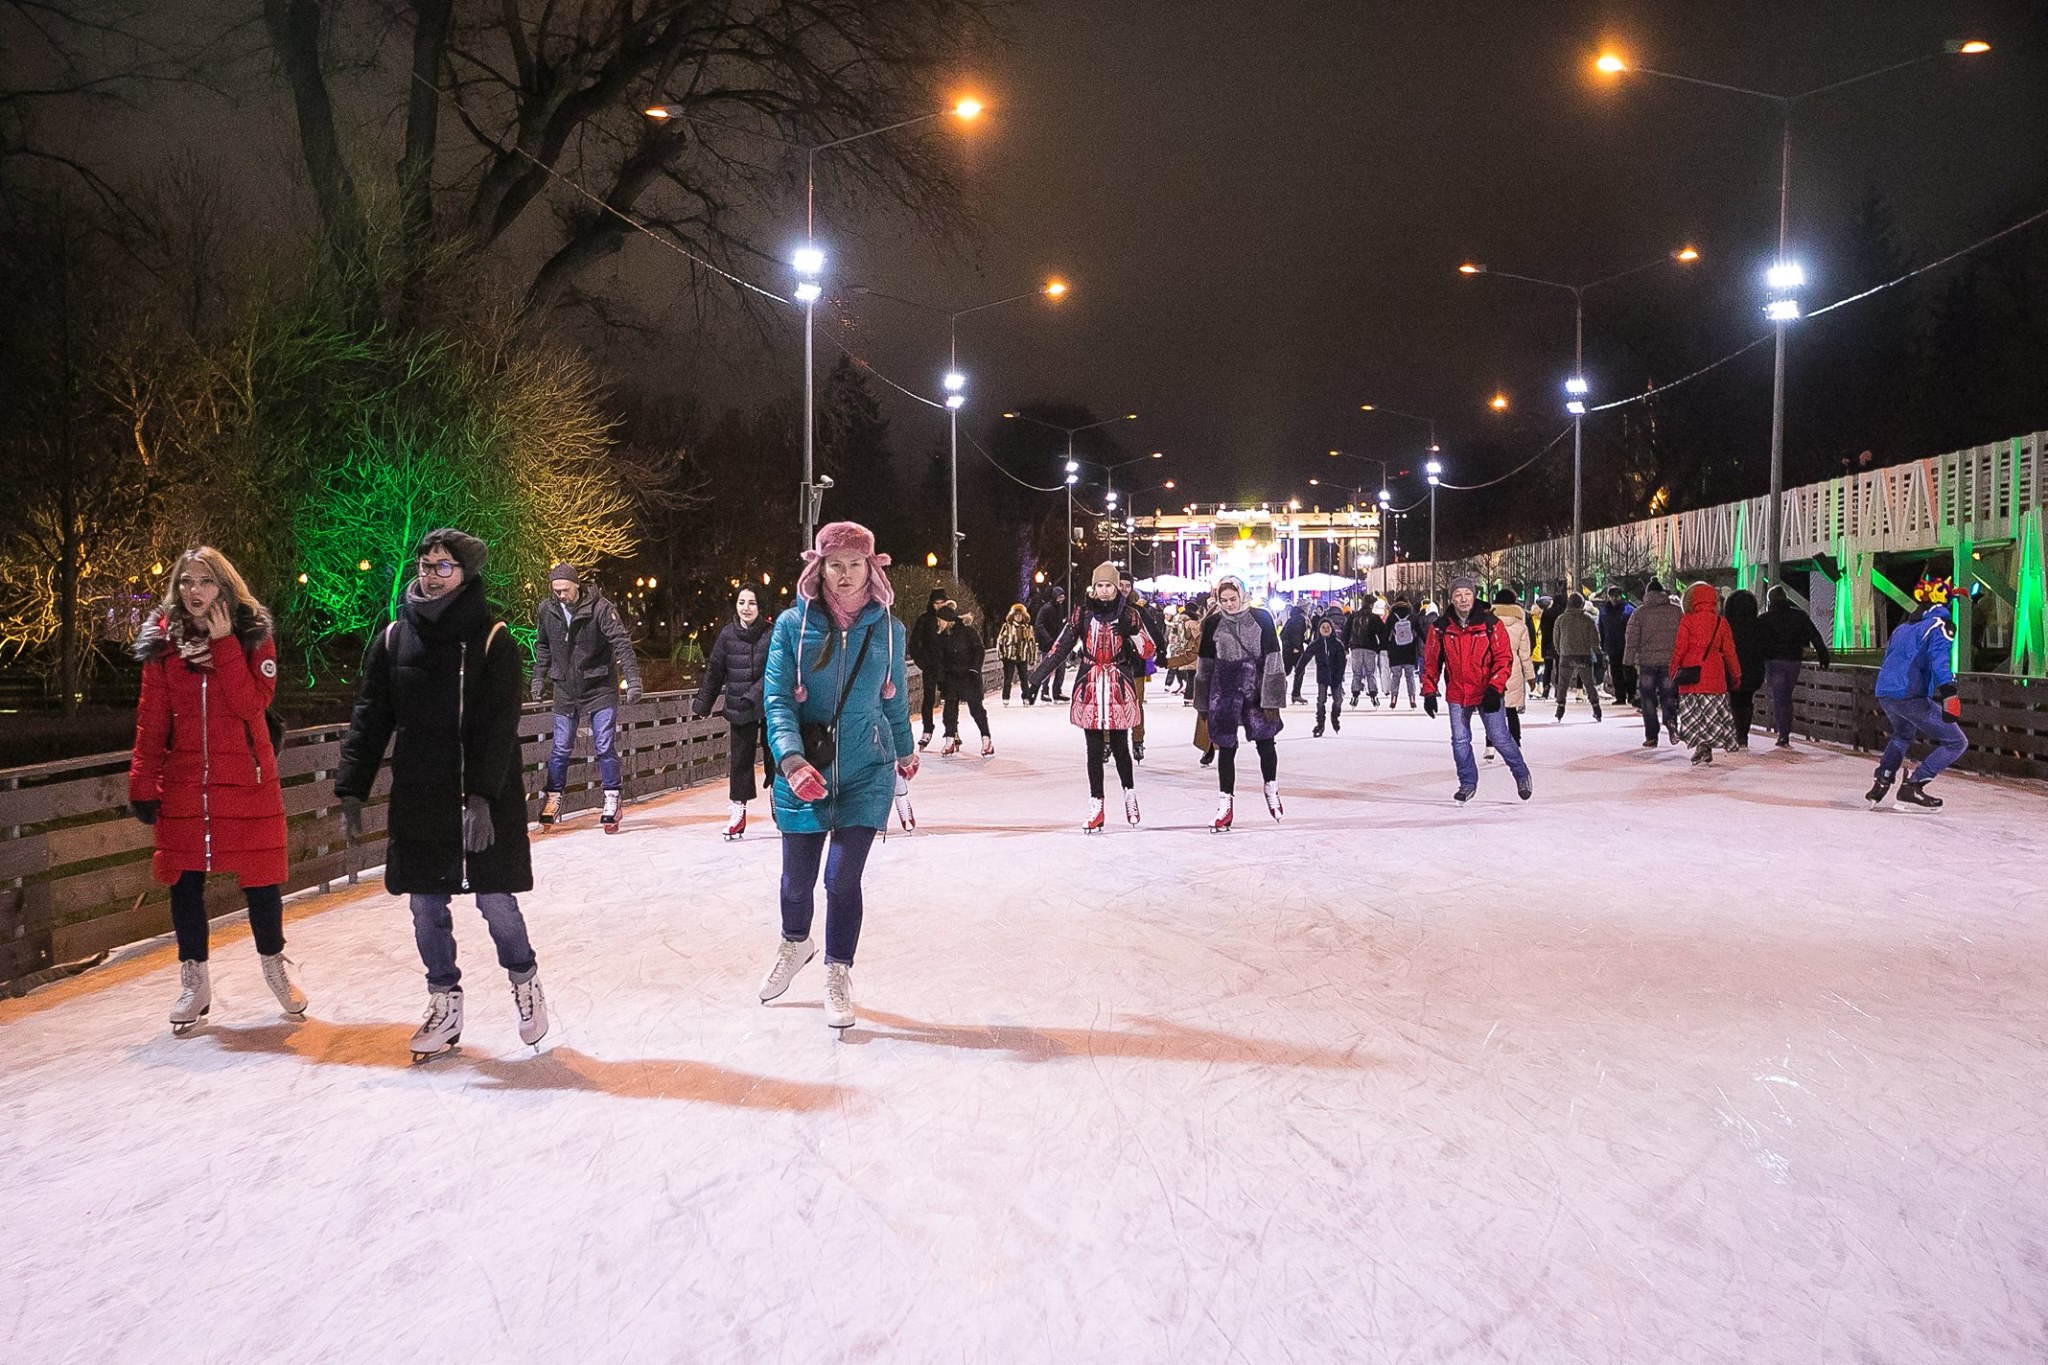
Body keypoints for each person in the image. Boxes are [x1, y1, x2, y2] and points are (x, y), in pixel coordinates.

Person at [337, 528, 548, 1061]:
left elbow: (498, 726)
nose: (431, 576)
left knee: (494, 899)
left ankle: (525, 981)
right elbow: (371, 717)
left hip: (483, 794)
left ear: (466, 574)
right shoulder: (393, 638)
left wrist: (479, 797)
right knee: (425, 904)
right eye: (426, 565)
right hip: (422, 795)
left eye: (443, 567)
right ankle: (443, 1002)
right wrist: (352, 790)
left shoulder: (494, 639)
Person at [128, 548, 303, 1034]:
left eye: (205, 581)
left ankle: (275, 969)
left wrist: (226, 645)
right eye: (186, 581)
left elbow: (253, 704)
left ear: (224, 586)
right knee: (184, 881)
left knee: (261, 879)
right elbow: (151, 721)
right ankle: (194, 980)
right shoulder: (163, 647)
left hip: (246, 777)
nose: (194, 590)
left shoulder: (253, 637)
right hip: (185, 781)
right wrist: (143, 780)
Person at [757, 521, 916, 1030]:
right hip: (805, 769)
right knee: (795, 884)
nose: (846, 576)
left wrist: (905, 751)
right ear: (818, 567)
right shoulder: (791, 626)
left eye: (855, 564)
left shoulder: (890, 630)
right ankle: (795, 942)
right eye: (835, 564)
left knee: (841, 878)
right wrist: (790, 759)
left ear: (873, 567)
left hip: (866, 771)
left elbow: (894, 700)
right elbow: (777, 700)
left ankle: (837, 970)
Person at [1028, 561, 1151, 831]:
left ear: (1118, 587)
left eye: (1109, 585)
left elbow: (1147, 649)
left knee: (1120, 745)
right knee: (1094, 749)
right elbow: (1060, 647)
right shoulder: (1082, 614)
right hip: (1091, 685)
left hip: (1118, 683)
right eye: (1100, 586)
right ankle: (1097, 805)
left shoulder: (1130, 615)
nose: (1104, 591)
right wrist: (1036, 678)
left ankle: (1129, 794)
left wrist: (1131, 638)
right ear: (1094, 588)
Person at [532, 562, 643, 833]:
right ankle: (554, 797)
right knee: (560, 747)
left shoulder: (600, 608)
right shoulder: (547, 610)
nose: (560, 595)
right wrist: (538, 678)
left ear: (576, 586)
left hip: (600, 687)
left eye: (565, 590)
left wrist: (634, 680)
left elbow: (622, 643)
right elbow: (543, 645)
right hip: (565, 689)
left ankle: (612, 798)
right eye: (556, 590)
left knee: (604, 744)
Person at [1422, 575, 1531, 802]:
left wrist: (1495, 687)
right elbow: (1432, 661)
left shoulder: (1491, 624)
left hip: (1487, 690)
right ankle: (1467, 783)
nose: (1463, 599)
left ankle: (1521, 773)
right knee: (1460, 740)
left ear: (1474, 596)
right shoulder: (1440, 628)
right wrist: (1429, 691)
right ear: (1451, 599)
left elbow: (1503, 658)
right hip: (1458, 691)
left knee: (1499, 737)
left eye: (1467, 594)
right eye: (1458, 595)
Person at [1865, 573, 1968, 809]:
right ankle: (1914, 785)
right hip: (1910, 694)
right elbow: (1939, 661)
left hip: (1886, 692)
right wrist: (1949, 693)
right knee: (1956, 742)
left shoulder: (1902, 628)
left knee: (1902, 735)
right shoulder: (1940, 626)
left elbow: (1888, 657)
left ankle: (1882, 780)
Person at [1193, 576, 1285, 831]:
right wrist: (1202, 701)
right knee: (1226, 746)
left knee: (1265, 741)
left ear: (1242, 595)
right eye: (1223, 600)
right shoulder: (1212, 622)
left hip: (1254, 687)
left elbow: (1273, 658)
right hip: (1223, 689)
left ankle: (1271, 788)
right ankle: (1225, 805)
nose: (1229, 604)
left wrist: (1272, 697)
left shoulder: (1261, 617)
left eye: (1233, 599)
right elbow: (1204, 665)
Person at [693, 584, 775, 840]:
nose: (746, 608)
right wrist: (702, 704)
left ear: (760, 607)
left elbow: (777, 669)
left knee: (776, 754)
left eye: (751, 603)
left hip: (771, 704)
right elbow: (715, 671)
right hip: (739, 707)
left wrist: (754, 694)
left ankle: (779, 798)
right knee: (740, 760)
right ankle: (738, 810)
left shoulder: (772, 634)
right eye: (742, 602)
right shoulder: (727, 636)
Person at [1669, 582, 1743, 766]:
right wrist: (1736, 674)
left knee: (1694, 715)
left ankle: (1701, 747)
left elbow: (1680, 649)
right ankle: (1706, 747)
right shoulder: (1721, 623)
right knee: (1711, 715)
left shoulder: (1687, 621)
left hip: (1691, 676)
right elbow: (1729, 652)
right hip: (1715, 676)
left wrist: (1673, 669)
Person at [1756, 586, 1832, 747]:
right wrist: (1823, 655)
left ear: (1770, 601)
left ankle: (1783, 734)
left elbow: (1757, 643)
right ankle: (1785, 732)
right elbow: (1814, 635)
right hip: (1793, 661)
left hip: (1774, 662)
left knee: (1779, 697)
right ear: (1785, 598)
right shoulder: (1799, 616)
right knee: (1787, 696)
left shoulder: (1764, 619)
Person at [1623, 581, 1683, 748]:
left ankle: (1651, 736)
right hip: (1670, 661)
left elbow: (1631, 639)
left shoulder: (1639, 613)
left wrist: (1627, 662)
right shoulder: (1676, 611)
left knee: (1648, 699)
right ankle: (1671, 722)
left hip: (1647, 663)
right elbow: (1683, 636)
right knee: (1669, 695)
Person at [1120, 571, 1169, 762]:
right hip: (1112, 664)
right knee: (1112, 703)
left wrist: (1162, 652)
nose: (1124, 588)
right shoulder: (1106, 608)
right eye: (1121, 584)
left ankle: (1138, 740)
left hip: (1135, 664)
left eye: (1127, 585)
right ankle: (1107, 741)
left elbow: (1154, 630)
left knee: (1136, 704)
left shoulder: (1137, 610)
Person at [935, 605, 993, 756]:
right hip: (951, 679)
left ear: (948, 620)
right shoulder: (942, 638)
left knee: (976, 710)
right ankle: (949, 740)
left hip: (969, 677)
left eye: (940, 620)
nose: (938, 623)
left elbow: (979, 651)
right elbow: (940, 660)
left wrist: (974, 669)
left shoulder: (968, 633)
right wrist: (941, 678)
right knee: (949, 712)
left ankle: (986, 740)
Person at [1487, 588, 1535, 762]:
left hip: (1492, 668)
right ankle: (1516, 743)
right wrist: (1530, 677)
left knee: (1492, 711)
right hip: (1512, 667)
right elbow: (1525, 655)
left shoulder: (1488, 623)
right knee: (1512, 711)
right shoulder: (1520, 626)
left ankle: (1490, 746)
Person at [1551, 591, 1603, 722]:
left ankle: (1560, 708)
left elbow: (1556, 639)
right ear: (1582, 604)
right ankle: (1596, 708)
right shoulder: (1587, 619)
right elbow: (1594, 639)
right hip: (1584, 655)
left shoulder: (1561, 619)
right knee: (1589, 683)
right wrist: (1596, 651)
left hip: (1566, 655)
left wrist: (1560, 651)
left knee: (1563, 684)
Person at [1723, 589, 1765, 748]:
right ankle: (1743, 734)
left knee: (1735, 700)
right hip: (1753, 670)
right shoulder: (1758, 625)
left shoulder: (1728, 626)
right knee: (1747, 701)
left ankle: (1737, 732)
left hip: (1732, 670)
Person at [909, 587, 949, 749]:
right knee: (929, 699)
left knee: (950, 700)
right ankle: (927, 730)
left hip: (948, 667)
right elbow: (914, 644)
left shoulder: (952, 619)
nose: (939, 606)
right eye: (936, 603)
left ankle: (952, 731)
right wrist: (922, 662)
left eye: (942, 603)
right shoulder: (924, 620)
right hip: (931, 666)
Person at [995, 603, 1040, 705]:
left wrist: (1032, 657)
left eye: (1020, 615)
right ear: (1013, 615)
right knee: (1008, 678)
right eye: (1016, 615)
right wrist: (1001, 654)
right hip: (1009, 656)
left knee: (1024, 678)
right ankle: (1006, 697)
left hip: (1022, 656)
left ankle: (1026, 697)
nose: (1018, 617)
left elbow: (1032, 644)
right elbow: (1000, 641)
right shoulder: (1007, 627)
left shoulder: (1028, 628)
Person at [1309, 616, 1347, 736]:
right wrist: (1298, 670)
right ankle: (1320, 724)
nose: (1325, 629)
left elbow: (1342, 662)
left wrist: (1339, 676)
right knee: (1321, 700)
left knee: (1338, 700)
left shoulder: (1337, 644)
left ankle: (1334, 716)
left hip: (1336, 677)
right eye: (1323, 627)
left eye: (1327, 627)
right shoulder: (1317, 644)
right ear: (1319, 629)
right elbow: (1305, 657)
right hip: (1323, 677)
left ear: (1331, 629)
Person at [1598, 586, 1636, 705]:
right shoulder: (1604, 611)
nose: (1614, 599)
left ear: (1621, 596)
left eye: (1616, 596)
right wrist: (1603, 645)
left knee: (1629, 672)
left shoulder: (1629, 610)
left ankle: (1631, 695)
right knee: (1616, 672)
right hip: (1612, 646)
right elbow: (1601, 629)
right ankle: (1620, 696)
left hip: (1627, 646)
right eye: (1611, 596)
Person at [1384, 596, 1423, 708]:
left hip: (1395, 651)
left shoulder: (1392, 617)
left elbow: (1386, 634)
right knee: (1410, 675)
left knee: (1395, 676)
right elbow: (1420, 632)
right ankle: (1412, 697)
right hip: (1409, 650)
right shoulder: (1412, 616)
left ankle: (1394, 697)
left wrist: (1387, 647)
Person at [1032, 588, 1070, 701]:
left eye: (1063, 597)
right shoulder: (1046, 609)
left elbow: (1061, 625)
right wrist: (1048, 639)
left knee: (1061, 668)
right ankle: (1044, 692)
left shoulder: (1060, 608)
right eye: (1059, 597)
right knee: (1047, 668)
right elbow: (1038, 625)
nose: (1061, 599)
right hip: (1048, 644)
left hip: (1059, 643)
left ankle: (1057, 691)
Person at [1347, 599, 1384, 708]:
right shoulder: (1374, 618)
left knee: (1357, 673)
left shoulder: (1353, 616)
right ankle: (1373, 694)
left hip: (1356, 648)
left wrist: (1345, 646)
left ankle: (1355, 694)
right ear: (1371, 605)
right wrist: (1381, 647)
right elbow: (1382, 632)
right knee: (1370, 673)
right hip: (1370, 648)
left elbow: (1347, 631)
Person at [1281, 604, 1309, 703]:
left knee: (1285, 670)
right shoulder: (1299, 618)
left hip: (1288, 648)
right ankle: (1296, 694)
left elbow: (1283, 633)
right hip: (1294, 649)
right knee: (1300, 671)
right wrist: (1296, 646)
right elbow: (1297, 633)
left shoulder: (1293, 618)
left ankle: (1279, 692)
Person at [1535, 594, 1560, 698]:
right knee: (1559, 667)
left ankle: (1546, 688)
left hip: (1547, 644)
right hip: (1557, 643)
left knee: (1548, 667)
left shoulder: (1545, 614)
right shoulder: (1558, 613)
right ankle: (1558, 690)